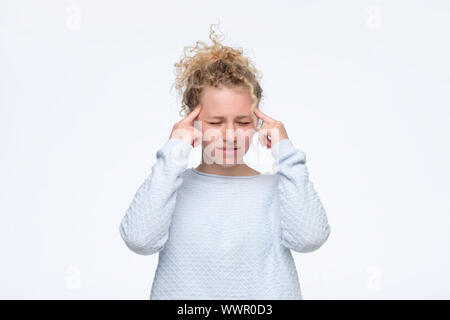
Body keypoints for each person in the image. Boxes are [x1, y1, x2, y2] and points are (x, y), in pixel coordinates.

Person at [119, 22, 331, 300]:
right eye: (215, 122)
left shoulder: (280, 188)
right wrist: (172, 153)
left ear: (258, 123)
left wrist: (287, 154)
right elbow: (139, 240)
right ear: (192, 122)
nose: (230, 135)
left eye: (242, 122)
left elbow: (310, 238)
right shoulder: (170, 187)